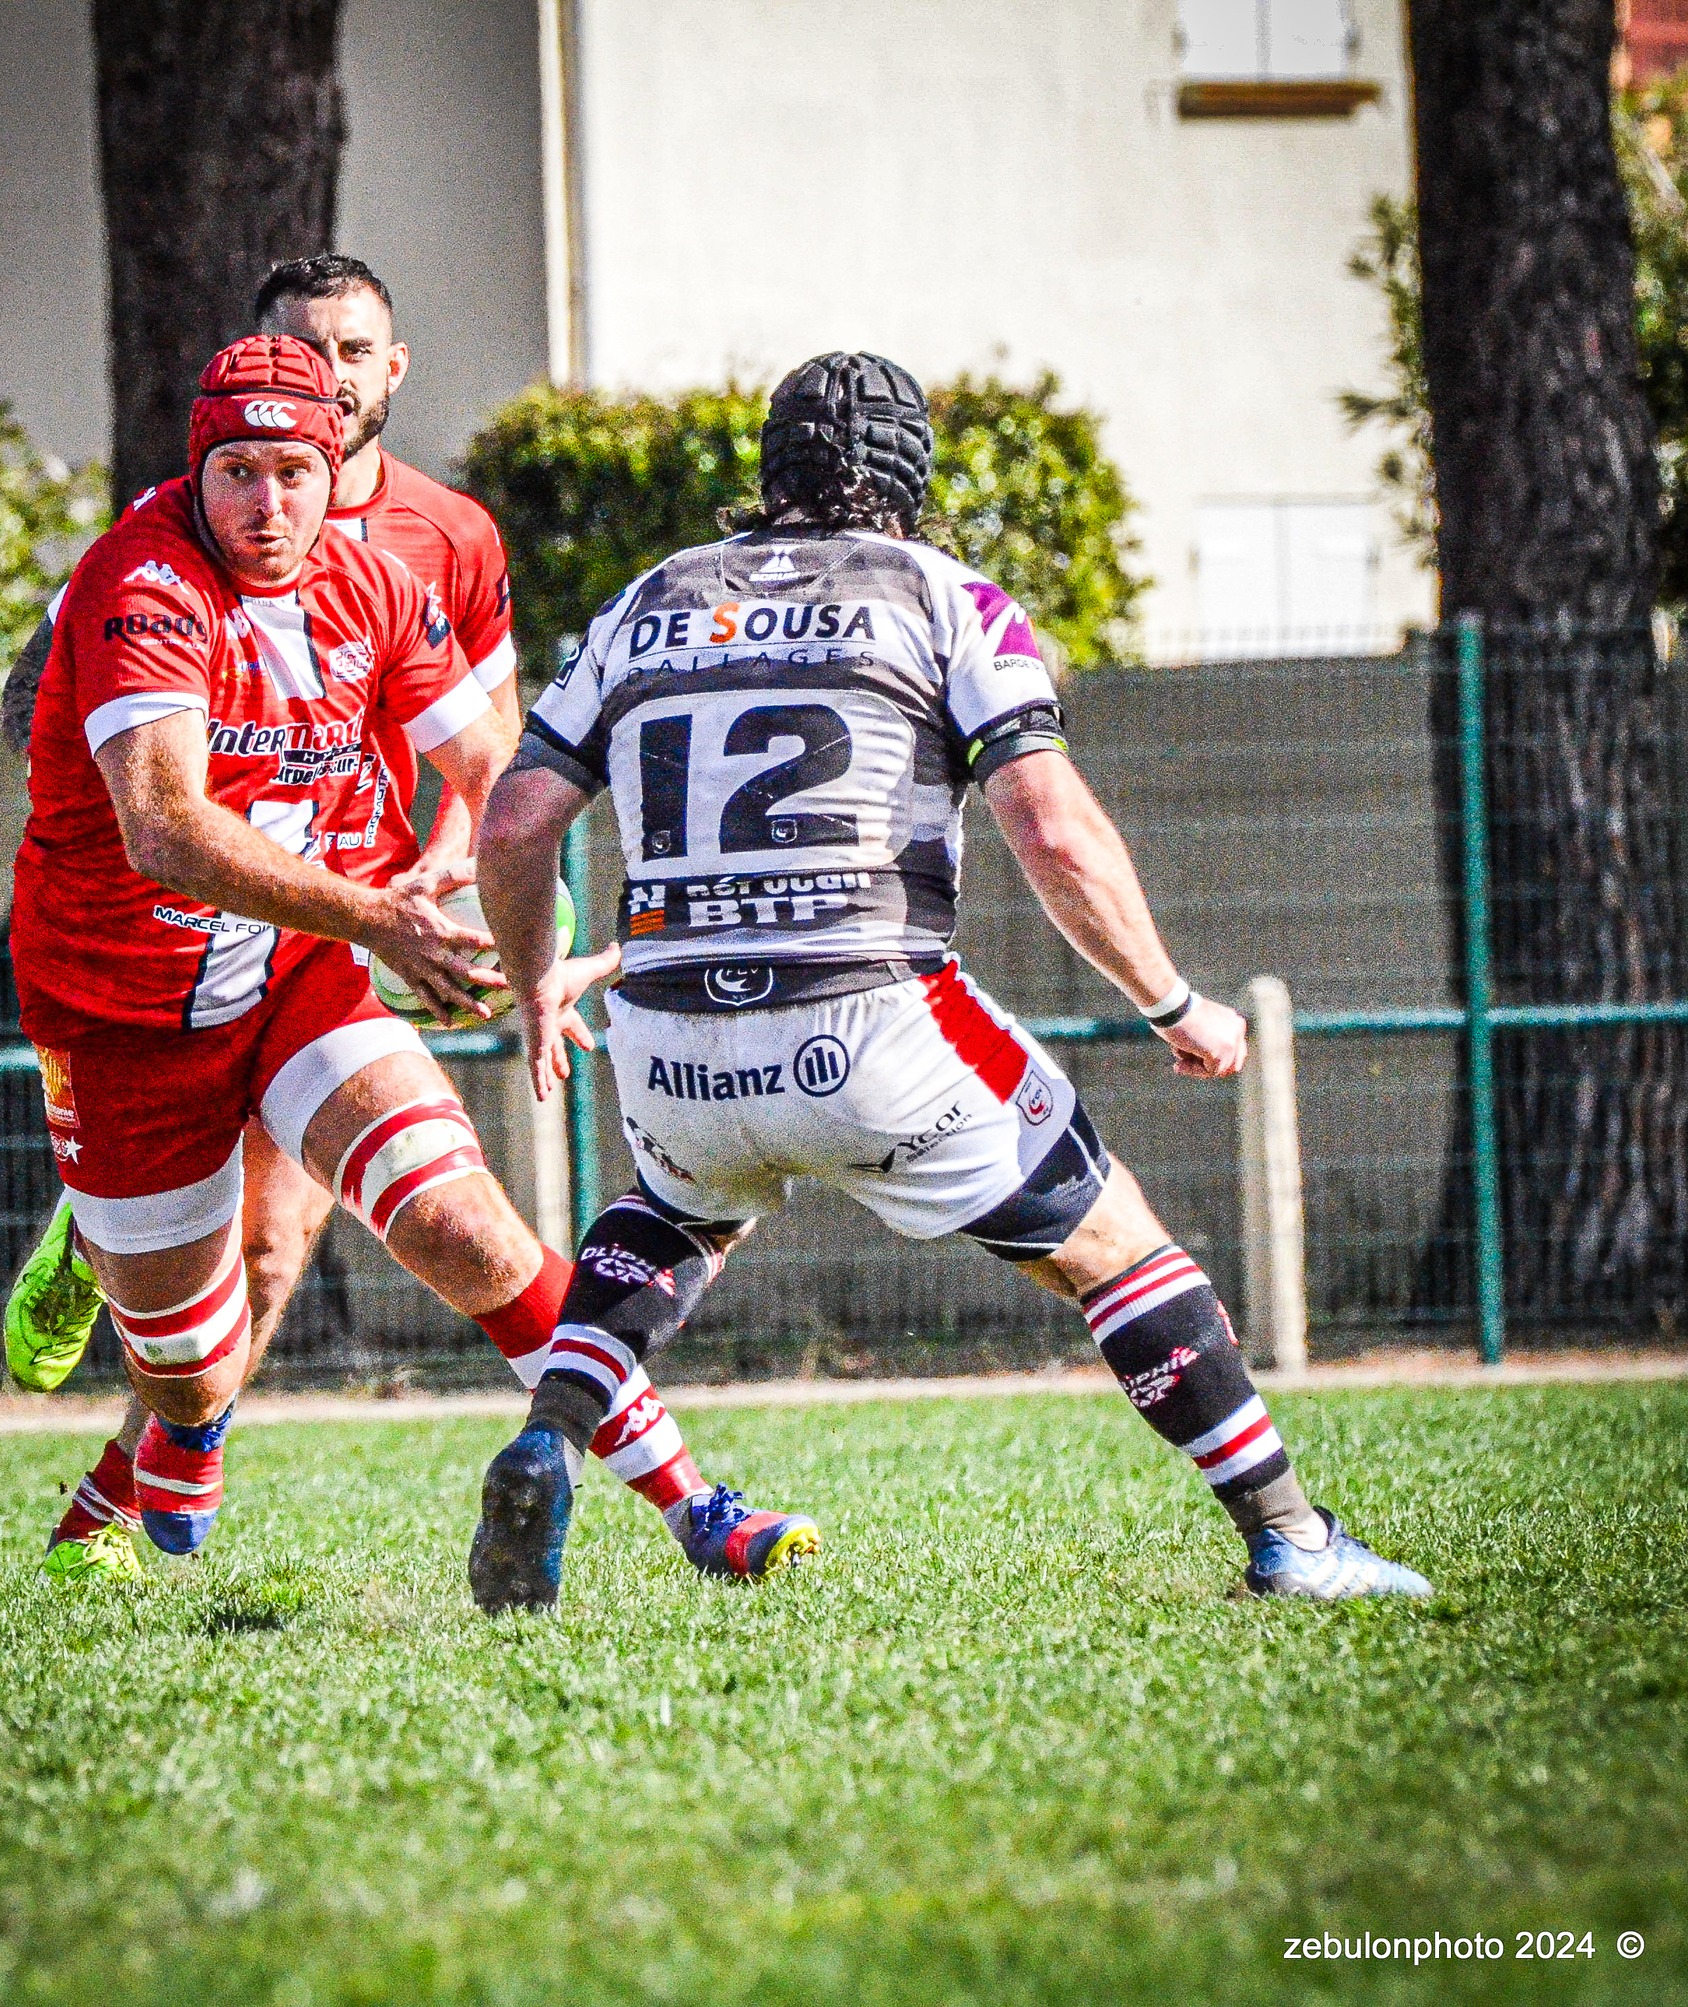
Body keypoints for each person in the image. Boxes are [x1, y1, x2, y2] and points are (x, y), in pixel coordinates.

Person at [464, 351, 1435, 1613]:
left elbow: (512, 825)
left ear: (769, 471)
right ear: (911, 475)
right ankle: (1291, 1539)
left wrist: (540, 985)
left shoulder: (648, 600)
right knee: (1114, 1244)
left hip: (666, 1035)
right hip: (873, 1016)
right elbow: (1049, 825)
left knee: (674, 1209)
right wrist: (1168, 1003)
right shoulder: (941, 594)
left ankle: (548, 1433)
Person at [5, 263, 805, 1584]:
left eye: (294, 473)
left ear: (345, 457)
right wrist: (388, 913)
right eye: (237, 475)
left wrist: (536, 961)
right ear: (195, 476)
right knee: (196, 1366)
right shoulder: (139, 581)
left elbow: (505, 778)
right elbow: (163, 828)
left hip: (301, 976)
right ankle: (145, 1342)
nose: (268, 504)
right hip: (124, 1013)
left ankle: (698, 1509)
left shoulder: (390, 578)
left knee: (468, 1232)